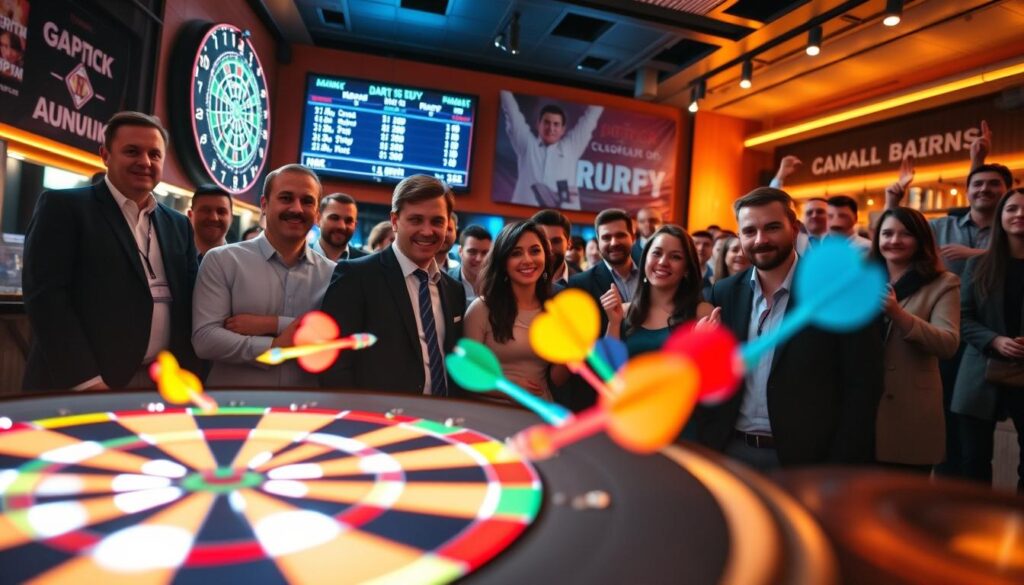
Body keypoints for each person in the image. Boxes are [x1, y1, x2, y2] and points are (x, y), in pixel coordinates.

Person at [696, 187, 883, 470]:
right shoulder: (724, 292)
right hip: (730, 451)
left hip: (807, 459)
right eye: (749, 231)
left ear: (794, 229)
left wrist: (839, 464)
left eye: (772, 227)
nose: (760, 240)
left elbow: (863, 386)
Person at [23, 111, 198, 390]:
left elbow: (189, 302)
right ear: (105, 154)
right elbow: (46, 299)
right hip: (84, 384)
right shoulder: (63, 207)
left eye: (155, 154)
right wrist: (87, 382)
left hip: (160, 383)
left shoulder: (178, 225)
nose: (145, 162)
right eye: (132, 151)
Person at [320, 175, 465, 395]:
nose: (427, 231)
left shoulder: (454, 290)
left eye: (437, 221)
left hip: (440, 422)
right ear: (395, 221)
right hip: (380, 422)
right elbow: (333, 363)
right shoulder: (356, 276)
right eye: (416, 220)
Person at [192, 164, 335, 388]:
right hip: (234, 407)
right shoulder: (223, 260)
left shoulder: (332, 274)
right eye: (286, 198)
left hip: (303, 410)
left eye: (307, 201)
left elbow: (333, 341)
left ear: (317, 214)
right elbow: (206, 339)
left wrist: (272, 323)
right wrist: (275, 346)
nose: (296, 209)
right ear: (264, 205)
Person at [871, 207, 960, 471]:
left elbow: (948, 343)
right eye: (887, 234)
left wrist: (897, 314)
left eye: (905, 234)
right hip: (863, 407)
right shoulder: (862, 281)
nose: (894, 240)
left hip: (909, 411)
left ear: (921, 240)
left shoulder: (943, 283)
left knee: (903, 504)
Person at [953, 188, 1024, 490]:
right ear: (1001, 217)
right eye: (1012, 209)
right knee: (973, 460)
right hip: (980, 369)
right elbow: (962, 316)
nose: (1019, 214)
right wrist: (994, 340)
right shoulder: (978, 265)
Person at [465, 221, 568, 402]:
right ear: (503, 261)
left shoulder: (554, 310)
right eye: (516, 253)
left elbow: (556, 379)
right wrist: (508, 388)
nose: (527, 260)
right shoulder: (482, 309)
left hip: (540, 413)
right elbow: (467, 376)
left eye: (535, 251)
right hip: (494, 414)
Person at [603, 225, 713, 357]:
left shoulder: (702, 312)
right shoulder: (624, 312)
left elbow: (715, 370)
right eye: (657, 253)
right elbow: (606, 370)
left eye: (675, 257)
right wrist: (614, 324)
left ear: (687, 268)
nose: (663, 262)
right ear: (645, 260)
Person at [499, 90, 603, 210]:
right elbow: (512, 113)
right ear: (538, 124)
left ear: (563, 129)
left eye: (556, 124)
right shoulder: (527, 145)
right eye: (547, 123)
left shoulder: (571, 147)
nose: (551, 128)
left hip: (561, 220)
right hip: (522, 218)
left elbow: (590, 118)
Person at [568, 208, 638, 335]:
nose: (614, 243)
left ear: (632, 238)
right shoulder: (580, 284)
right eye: (606, 237)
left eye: (620, 235)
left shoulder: (652, 277)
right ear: (598, 241)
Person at [311, 193, 366, 262]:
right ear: (318, 219)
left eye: (348, 221)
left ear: (355, 225)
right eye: (334, 218)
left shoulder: (368, 263)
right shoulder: (298, 257)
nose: (341, 226)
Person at [531, 209, 578, 288]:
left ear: (569, 243)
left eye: (556, 241)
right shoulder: (519, 281)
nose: (549, 249)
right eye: (543, 241)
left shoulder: (583, 284)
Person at [188, 185, 232, 262]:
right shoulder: (172, 258)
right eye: (205, 210)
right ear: (190, 215)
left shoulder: (240, 263)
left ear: (231, 218)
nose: (213, 218)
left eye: (221, 211)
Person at [452, 224, 492, 307]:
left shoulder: (498, 283)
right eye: (472, 252)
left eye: (485, 253)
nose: (479, 259)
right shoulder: (445, 282)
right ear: (460, 251)